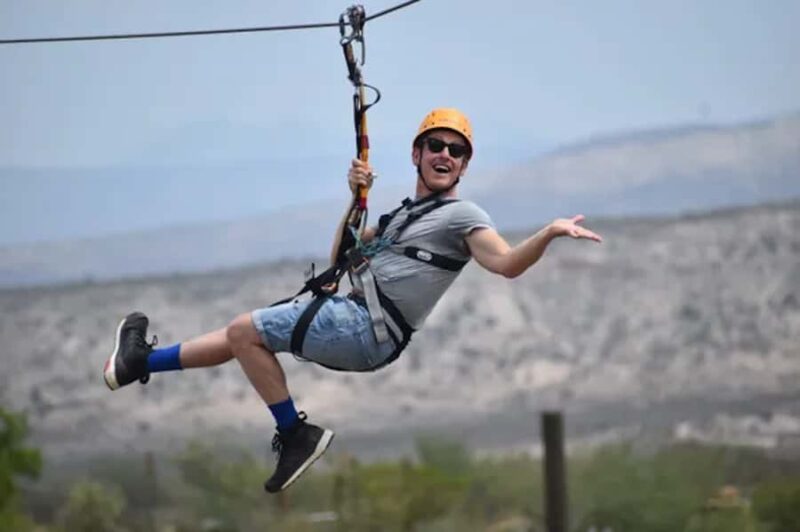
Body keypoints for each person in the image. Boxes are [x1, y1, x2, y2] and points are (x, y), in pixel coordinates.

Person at [103, 108, 602, 493]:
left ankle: (295, 435)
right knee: (244, 335)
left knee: (244, 331)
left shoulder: (461, 215)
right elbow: (341, 256)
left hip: (366, 329)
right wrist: (355, 198)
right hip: (356, 321)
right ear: (417, 154)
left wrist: (551, 233)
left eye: (456, 150)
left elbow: (507, 264)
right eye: (436, 145)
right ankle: (139, 362)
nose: (445, 154)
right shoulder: (402, 217)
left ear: (465, 165)